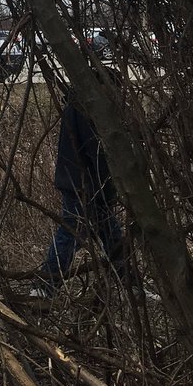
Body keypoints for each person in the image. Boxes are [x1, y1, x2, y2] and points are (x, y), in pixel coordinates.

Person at [31, 87, 124, 298]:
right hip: (84, 184)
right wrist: (110, 186)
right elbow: (97, 153)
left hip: (78, 180)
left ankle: (128, 281)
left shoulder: (78, 104)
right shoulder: (87, 107)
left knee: (108, 231)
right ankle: (44, 286)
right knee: (72, 232)